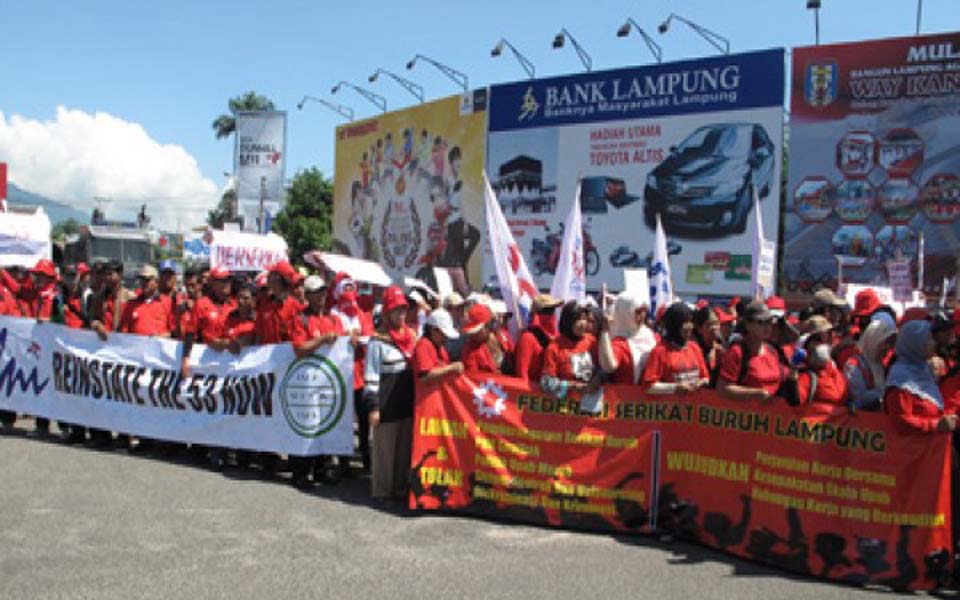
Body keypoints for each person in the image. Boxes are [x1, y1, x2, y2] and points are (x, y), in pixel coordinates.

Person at [364, 286, 417, 501]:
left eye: (404, 309)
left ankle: (400, 490)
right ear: (386, 312)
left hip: (406, 404)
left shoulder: (412, 336)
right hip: (386, 406)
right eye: (396, 310)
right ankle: (382, 493)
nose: (401, 314)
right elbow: (371, 377)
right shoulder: (377, 342)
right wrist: (373, 408)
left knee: (403, 452)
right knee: (384, 454)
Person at [328, 272, 376, 472]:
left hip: (361, 371)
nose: (349, 292)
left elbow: (370, 335)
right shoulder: (333, 314)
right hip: (342, 372)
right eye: (345, 288)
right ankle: (343, 457)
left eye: (351, 288)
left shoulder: (362, 314)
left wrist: (360, 338)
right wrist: (346, 337)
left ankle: (365, 452)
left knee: (364, 416)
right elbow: (332, 337)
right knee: (343, 416)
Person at [717, 300, 798, 404]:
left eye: (769, 321)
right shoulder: (737, 352)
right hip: (748, 415)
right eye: (761, 322)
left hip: (773, 414)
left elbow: (794, 336)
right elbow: (723, 389)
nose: (767, 327)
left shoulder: (772, 350)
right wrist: (755, 394)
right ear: (748, 325)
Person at [884, 320, 957, 434]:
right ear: (915, 342)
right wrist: (935, 425)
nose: (933, 343)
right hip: (911, 449)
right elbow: (900, 421)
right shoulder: (900, 378)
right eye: (928, 339)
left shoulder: (924, 369)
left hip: (932, 448)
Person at [640, 302, 709, 395]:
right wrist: (675, 388)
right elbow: (648, 386)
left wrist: (701, 383)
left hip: (694, 406)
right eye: (685, 322)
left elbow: (705, 377)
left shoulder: (694, 347)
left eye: (691, 322)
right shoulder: (660, 351)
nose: (690, 327)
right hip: (670, 406)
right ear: (674, 324)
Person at [540, 301, 601, 401]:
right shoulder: (555, 347)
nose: (582, 324)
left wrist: (597, 380)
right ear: (568, 321)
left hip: (590, 405)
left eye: (585, 319)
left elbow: (603, 369)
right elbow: (546, 382)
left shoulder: (592, 341)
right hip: (565, 407)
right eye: (578, 319)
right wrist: (572, 386)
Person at [598, 291, 656, 386]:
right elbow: (609, 366)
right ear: (625, 314)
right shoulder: (620, 342)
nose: (642, 315)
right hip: (626, 398)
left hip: (653, 399)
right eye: (637, 312)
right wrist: (604, 331)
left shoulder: (651, 336)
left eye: (644, 311)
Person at [844, 317, 896, 411]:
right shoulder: (854, 365)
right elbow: (858, 397)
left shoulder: (881, 365)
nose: (888, 348)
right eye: (885, 343)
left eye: (890, 344)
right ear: (873, 341)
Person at [795, 316, 848, 406]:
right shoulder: (803, 375)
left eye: (829, 333)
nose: (825, 341)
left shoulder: (832, 368)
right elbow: (795, 402)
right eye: (818, 339)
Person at [515, 294, 563, 384]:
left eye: (552, 311)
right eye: (547, 311)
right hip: (532, 393)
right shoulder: (528, 338)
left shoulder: (555, 338)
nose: (551, 315)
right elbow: (522, 373)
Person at [118, 265, 175, 337]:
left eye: (147, 280)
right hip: (136, 346)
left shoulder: (167, 302)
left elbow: (174, 331)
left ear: (156, 282)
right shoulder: (130, 305)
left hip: (159, 346)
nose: (143, 283)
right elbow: (124, 331)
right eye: (141, 279)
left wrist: (161, 336)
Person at [412, 309, 464, 384]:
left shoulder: (440, 347)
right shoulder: (423, 345)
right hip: (429, 395)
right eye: (443, 334)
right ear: (433, 330)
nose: (445, 337)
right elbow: (424, 377)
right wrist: (451, 368)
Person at [461, 302, 508, 374]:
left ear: (487, 325)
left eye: (477, 331)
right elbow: (474, 377)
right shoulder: (468, 351)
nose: (473, 334)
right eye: (472, 331)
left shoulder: (501, 335)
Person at [692, 305, 723, 387]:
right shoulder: (694, 351)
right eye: (709, 324)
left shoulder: (722, 349)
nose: (714, 328)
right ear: (699, 329)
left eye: (716, 323)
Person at [442, 292, 466, 360]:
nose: (462, 310)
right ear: (448, 310)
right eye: (458, 308)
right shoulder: (443, 327)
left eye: (462, 307)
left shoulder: (463, 324)